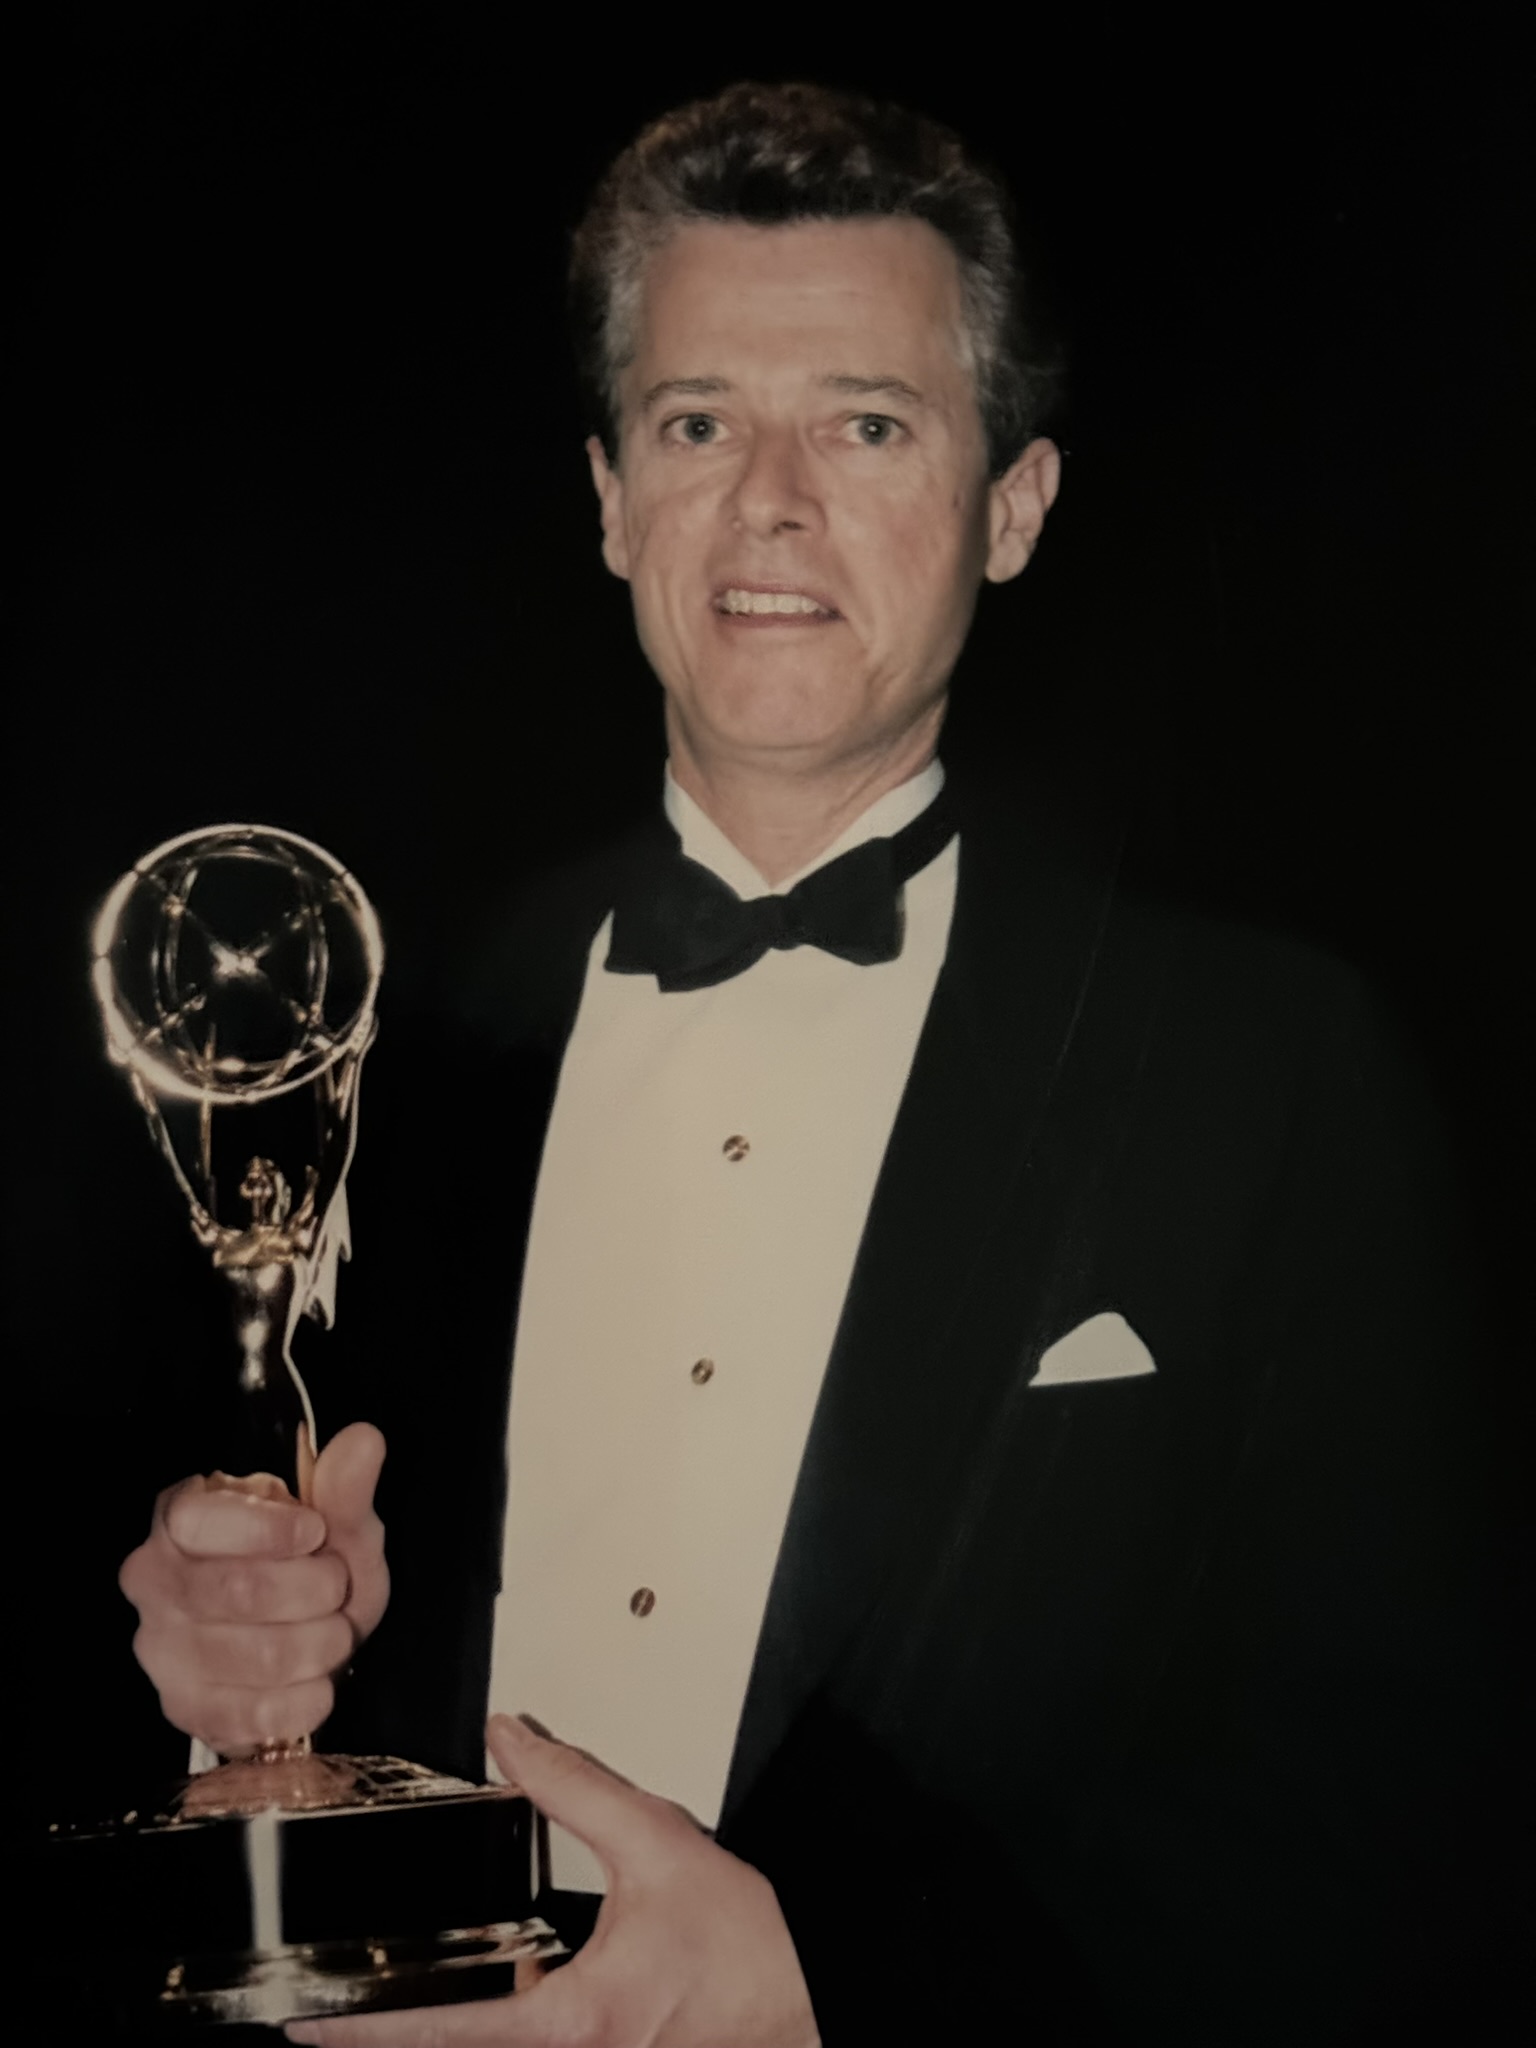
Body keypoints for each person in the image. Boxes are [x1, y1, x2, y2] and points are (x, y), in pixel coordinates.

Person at [117, 83, 1496, 2046]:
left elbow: (1412, 1813)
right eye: (698, 423)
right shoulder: (399, 1043)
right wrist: (248, 1660)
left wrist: (831, 1985)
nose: (769, 500)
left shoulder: (1277, 1077)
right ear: (612, 497)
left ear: (1013, 506)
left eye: (866, 424)